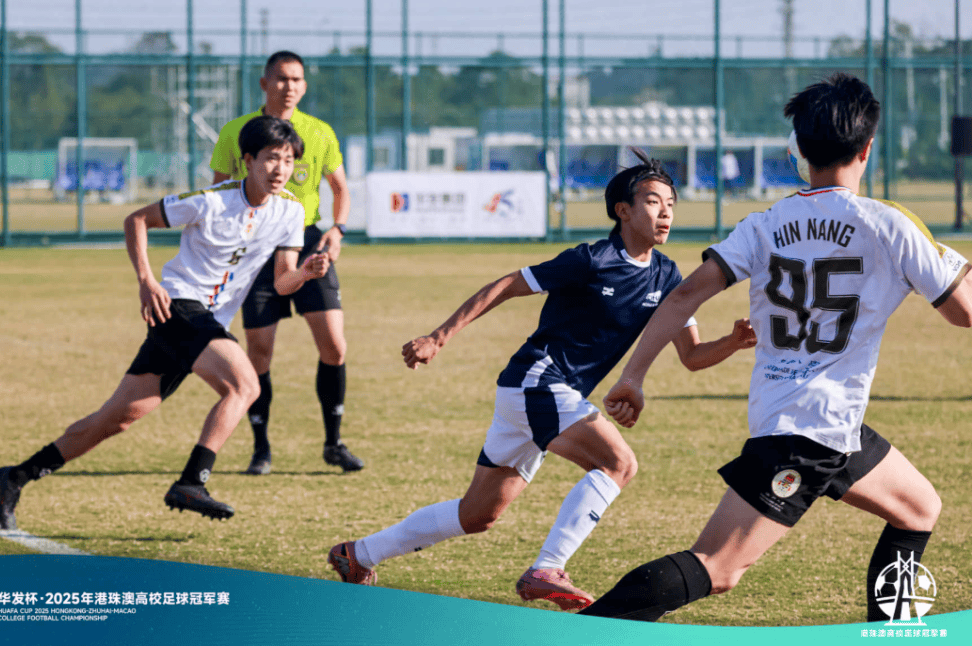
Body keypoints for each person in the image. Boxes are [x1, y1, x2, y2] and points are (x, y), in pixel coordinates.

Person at [580, 74, 972, 622]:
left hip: (816, 419)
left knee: (918, 508)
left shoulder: (765, 223)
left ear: (799, 150)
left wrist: (634, 376)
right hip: (810, 430)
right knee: (717, 567)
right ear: (867, 148)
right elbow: (963, 311)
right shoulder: (889, 224)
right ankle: (585, 632)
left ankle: (892, 636)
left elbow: (684, 295)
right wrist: (953, 265)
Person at [327, 151, 757, 610]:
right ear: (623, 211)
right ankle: (547, 569)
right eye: (653, 202)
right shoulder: (591, 259)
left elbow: (692, 356)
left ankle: (357, 554)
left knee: (477, 514)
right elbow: (508, 284)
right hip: (536, 380)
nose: (666, 212)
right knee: (618, 464)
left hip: (541, 395)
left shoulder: (668, 274)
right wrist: (439, 336)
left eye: (670, 203)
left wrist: (733, 342)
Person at [0, 116, 329, 529]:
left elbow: (281, 282)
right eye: (271, 158)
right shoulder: (211, 201)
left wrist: (306, 273)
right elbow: (136, 220)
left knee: (116, 418)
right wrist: (146, 282)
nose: (281, 169)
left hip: (206, 321)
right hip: (178, 306)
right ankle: (191, 482)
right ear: (248, 160)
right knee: (245, 385)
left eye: (289, 160)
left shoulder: (291, 211)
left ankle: (16, 476)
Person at [211, 50, 362, 476]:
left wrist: (338, 230)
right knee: (259, 353)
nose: (289, 86)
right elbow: (219, 191)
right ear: (264, 83)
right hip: (257, 246)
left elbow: (340, 189)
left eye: (296, 79)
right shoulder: (236, 131)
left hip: (309, 242)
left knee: (334, 345)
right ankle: (261, 448)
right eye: (281, 78)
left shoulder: (319, 132)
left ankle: (333, 443)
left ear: (304, 86)